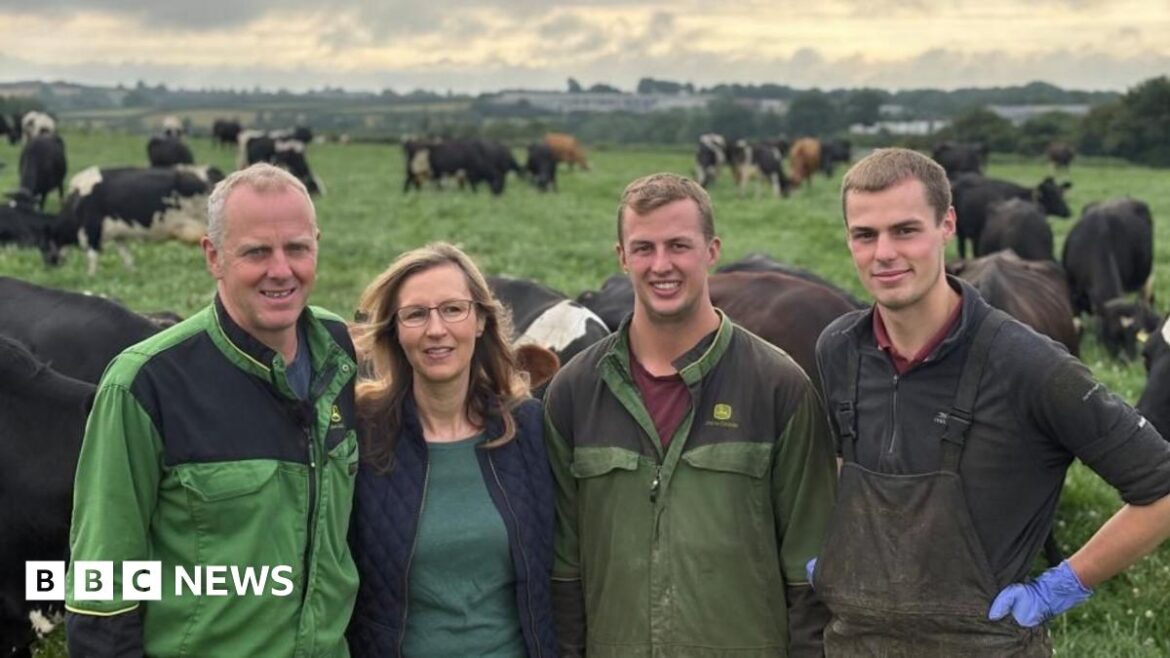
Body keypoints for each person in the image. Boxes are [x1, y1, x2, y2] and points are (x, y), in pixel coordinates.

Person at [810, 148, 1170, 656]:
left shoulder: (1030, 365)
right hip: (854, 645)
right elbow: (842, 464)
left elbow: (1161, 490)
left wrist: (1061, 586)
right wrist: (830, 552)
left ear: (947, 225)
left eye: (905, 230)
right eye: (864, 235)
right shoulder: (837, 349)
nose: (883, 253)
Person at [65, 163, 360, 656]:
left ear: (317, 245)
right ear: (213, 256)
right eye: (256, 252)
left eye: (297, 248)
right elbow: (102, 591)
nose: (281, 270)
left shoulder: (336, 349)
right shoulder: (145, 384)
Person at [544, 173, 838, 657]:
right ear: (622, 257)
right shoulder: (574, 392)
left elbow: (811, 575)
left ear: (712, 250)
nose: (661, 265)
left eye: (679, 245)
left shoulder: (778, 387)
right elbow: (564, 570)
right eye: (644, 248)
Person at [345, 242, 557, 657]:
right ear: (395, 330)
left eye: (453, 309)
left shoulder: (528, 428)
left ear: (480, 320)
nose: (436, 329)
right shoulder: (361, 434)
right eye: (416, 314)